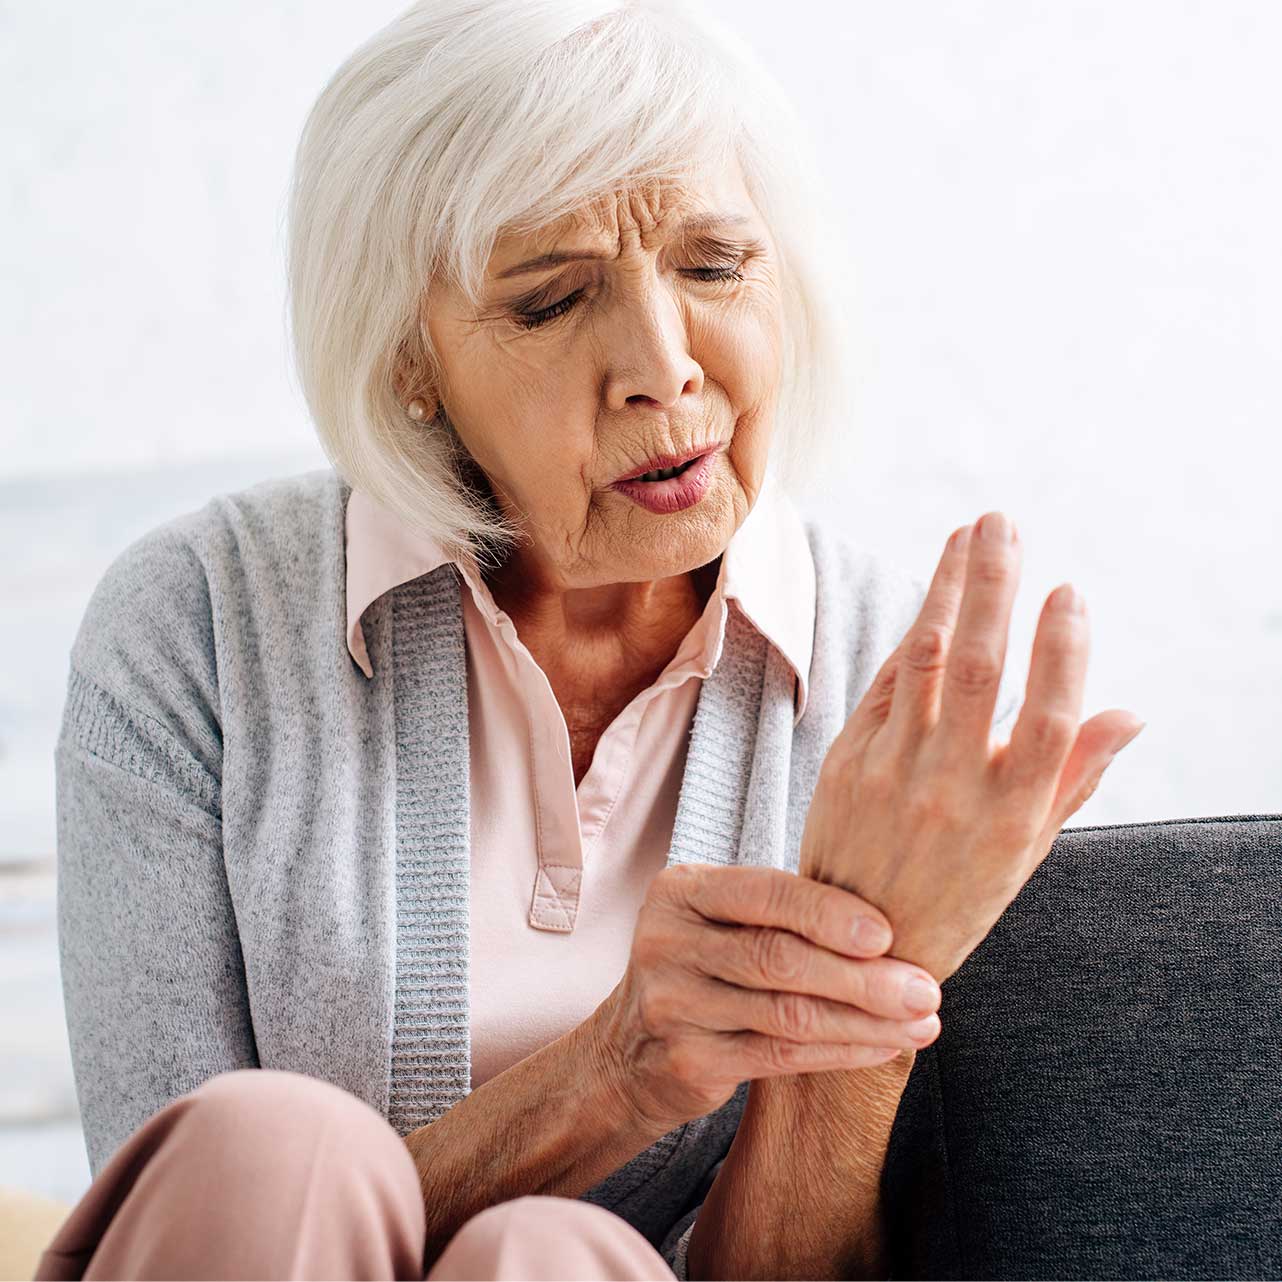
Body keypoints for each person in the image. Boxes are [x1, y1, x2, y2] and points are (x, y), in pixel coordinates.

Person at [36, 0, 1145, 1278]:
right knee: (270, 1145)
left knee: (549, 1259)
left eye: (716, 266)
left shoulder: (894, 698)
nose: (663, 369)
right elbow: (178, 1219)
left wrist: (852, 1017)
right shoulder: (197, 628)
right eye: (555, 299)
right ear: (411, 358)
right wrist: (616, 1068)